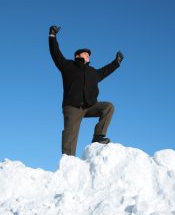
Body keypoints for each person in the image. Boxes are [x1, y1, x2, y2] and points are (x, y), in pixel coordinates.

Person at [49, 25, 124, 156]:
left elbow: (105, 71)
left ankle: (98, 136)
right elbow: (55, 53)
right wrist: (52, 36)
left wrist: (116, 63)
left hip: (89, 106)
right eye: (86, 54)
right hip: (72, 106)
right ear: (78, 55)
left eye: (89, 54)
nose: (89, 55)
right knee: (70, 134)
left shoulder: (92, 72)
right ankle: (68, 160)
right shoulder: (68, 66)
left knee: (108, 107)